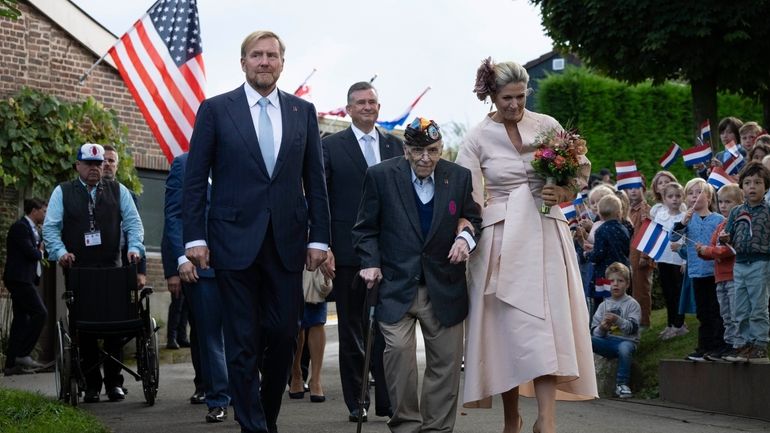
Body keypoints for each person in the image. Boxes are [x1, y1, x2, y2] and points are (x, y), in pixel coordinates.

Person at [181, 30, 329, 433]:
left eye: (272, 55)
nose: (265, 62)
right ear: (243, 62)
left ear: (282, 62)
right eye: (256, 55)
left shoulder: (303, 112)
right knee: (243, 341)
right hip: (232, 243)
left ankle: (265, 415)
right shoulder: (215, 110)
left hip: (287, 243)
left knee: (283, 336)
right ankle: (254, 427)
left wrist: (320, 238)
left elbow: (315, 181)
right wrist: (194, 237)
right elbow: (195, 180)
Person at [456, 58, 597, 433]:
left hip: (546, 229)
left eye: (520, 97)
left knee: (548, 326)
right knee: (508, 332)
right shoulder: (475, 138)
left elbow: (578, 174)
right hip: (499, 238)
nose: (514, 105)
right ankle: (510, 420)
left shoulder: (548, 126)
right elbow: (466, 197)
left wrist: (562, 190)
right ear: (492, 95)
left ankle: (546, 421)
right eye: (506, 98)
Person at [353, 117, 482, 433]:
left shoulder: (459, 177)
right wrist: (370, 261)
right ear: (406, 149)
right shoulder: (380, 176)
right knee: (398, 357)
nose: (427, 158)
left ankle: (437, 429)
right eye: (419, 150)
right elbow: (365, 229)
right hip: (395, 286)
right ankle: (406, 425)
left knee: (446, 365)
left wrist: (465, 239)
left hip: (444, 286)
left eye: (434, 150)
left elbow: (474, 219)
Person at [319, 81, 402, 421]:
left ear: (378, 108)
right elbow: (320, 199)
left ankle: (386, 400)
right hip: (348, 251)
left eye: (372, 102)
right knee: (352, 330)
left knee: (389, 329)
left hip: (391, 253)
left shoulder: (396, 145)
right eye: (360, 102)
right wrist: (323, 246)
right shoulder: (331, 146)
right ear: (349, 109)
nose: (368, 107)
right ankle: (357, 402)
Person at [42, 143, 145, 402]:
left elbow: (133, 224)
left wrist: (134, 248)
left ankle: (114, 383)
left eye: (98, 164)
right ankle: (91, 384)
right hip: (79, 269)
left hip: (112, 268)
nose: (94, 169)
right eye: (88, 164)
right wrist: (60, 252)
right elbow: (51, 228)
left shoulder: (118, 190)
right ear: (77, 165)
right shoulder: (62, 192)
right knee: (84, 327)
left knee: (115, 325)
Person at [162, 153, 230, 421]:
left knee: (242, 335)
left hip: (240, 263)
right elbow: (174, 215)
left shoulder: (239, 157)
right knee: (211, 337)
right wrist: (180, 259)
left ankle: (242, 392)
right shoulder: (184, 164)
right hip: (201, 268)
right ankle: (219, 399)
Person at [671, 178, 725, 362]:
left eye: (699, 192)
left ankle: (718, 347)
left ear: (709, 198)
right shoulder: (687, 219)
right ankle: (704, 347)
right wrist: (682, 223)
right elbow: (673, 236)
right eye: (691, 193)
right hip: (696, 273)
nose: (694, 196)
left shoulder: (718, 219)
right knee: (702, 312)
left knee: (716, 311)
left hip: (715, 272)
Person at [721, 162, 770, 363]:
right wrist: (725, 237)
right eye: (748, 182)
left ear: (766, 186)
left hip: (761, 263)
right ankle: (746, 343)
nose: (752, 187)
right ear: (742, 186)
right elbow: (729, 233)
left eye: (757, 182)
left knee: (758, 306)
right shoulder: (736, 212)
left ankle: (760, 343)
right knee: (740, 307)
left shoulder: (768, 211)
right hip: (739, 264)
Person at [3, 198, 48, 375]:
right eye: (44, 211)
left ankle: (11, 365)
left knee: (20, 321)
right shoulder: (20, 227)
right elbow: (31, 253)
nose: (45, 215)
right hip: (19, 279)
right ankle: (23, 354)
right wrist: (41, 251)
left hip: (25, 279)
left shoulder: (33, 229)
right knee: (40, 313)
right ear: (34, 211)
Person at [696, 184, 741, 360]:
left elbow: (727, 249)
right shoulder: (721, 224)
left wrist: (708, 250)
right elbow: (715, 247)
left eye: (728, 202)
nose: (723, 206)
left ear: (739, 203)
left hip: (733, 275)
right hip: (719, 277)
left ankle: (738, 345)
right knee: (726, 314)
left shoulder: (737, 223)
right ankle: (728, 345)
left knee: (736, 312)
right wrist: (702, 252)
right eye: (720, 202)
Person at [590, 262, 642, 399]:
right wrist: (602, 328)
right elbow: (594, 331)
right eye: (612, 281)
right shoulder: (603, 305)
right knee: (586, 340)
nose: (615, 284)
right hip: (607, 341)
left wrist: (617, 320)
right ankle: (584, 379)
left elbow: (632, 328)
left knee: (624, 349)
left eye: (620, 281)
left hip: (627, 341)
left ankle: (622, 384)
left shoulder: (632, 304)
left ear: (627, 284)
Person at [651, 182, 688, 340]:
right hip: (663, 259)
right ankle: (670, 323)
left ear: (682, 198)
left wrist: (685, 261)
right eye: (670, 196)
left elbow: (686, 240)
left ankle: (679, 325)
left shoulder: (684, 218)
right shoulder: (661, 215)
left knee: (678, 293)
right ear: (664, 199)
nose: (674, 199)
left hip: (678, 261)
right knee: (668, 293)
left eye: (678, 196)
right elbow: (655, 236)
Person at [584, 195, 631, 299]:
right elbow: (626, 250)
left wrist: (587, 254)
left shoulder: (601, 231)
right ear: (619, 213)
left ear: (600, 215)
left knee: (603, 305)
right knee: (621, 301)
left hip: (605, 274)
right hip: (622, 273)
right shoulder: (624, 229)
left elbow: (598, 254)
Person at [626, 182, 654, 328]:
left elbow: (649, 233)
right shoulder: (627, 210)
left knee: (641, 290)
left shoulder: (646, 210)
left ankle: (643, 322)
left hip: (640, 255)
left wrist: (645, 255)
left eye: (637, 187)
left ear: (643, 189)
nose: (633, 191)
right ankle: (632, 320)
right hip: (629, 254)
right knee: (630, 289)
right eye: (630, 188)